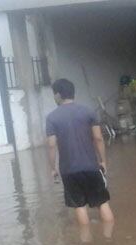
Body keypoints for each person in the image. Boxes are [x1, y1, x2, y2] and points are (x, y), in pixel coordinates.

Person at [46, 78, 114, 226]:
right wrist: (103, 161)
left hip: (69, 170)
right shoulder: (88, 111)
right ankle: (110, 239)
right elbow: (98, 138)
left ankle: (86, 241)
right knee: (102, 203)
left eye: (54, 94)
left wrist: (52, 168)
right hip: (91, 167)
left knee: (80, 206)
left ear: (58, 95)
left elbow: (51, 145)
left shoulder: (52, 118)